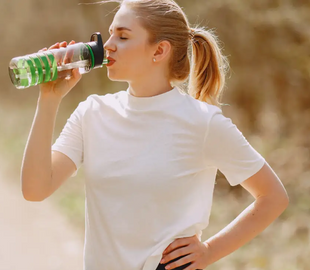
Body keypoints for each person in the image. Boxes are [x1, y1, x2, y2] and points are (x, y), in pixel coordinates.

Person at [20, 0, 289, 270]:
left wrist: (209, 251)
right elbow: (35, 189)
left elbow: (272, 197)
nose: (109, 45)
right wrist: (49, 99)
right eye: (110, 33)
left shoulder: (202, 122)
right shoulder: (92, 113)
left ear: (159, 50)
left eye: (123, 36)